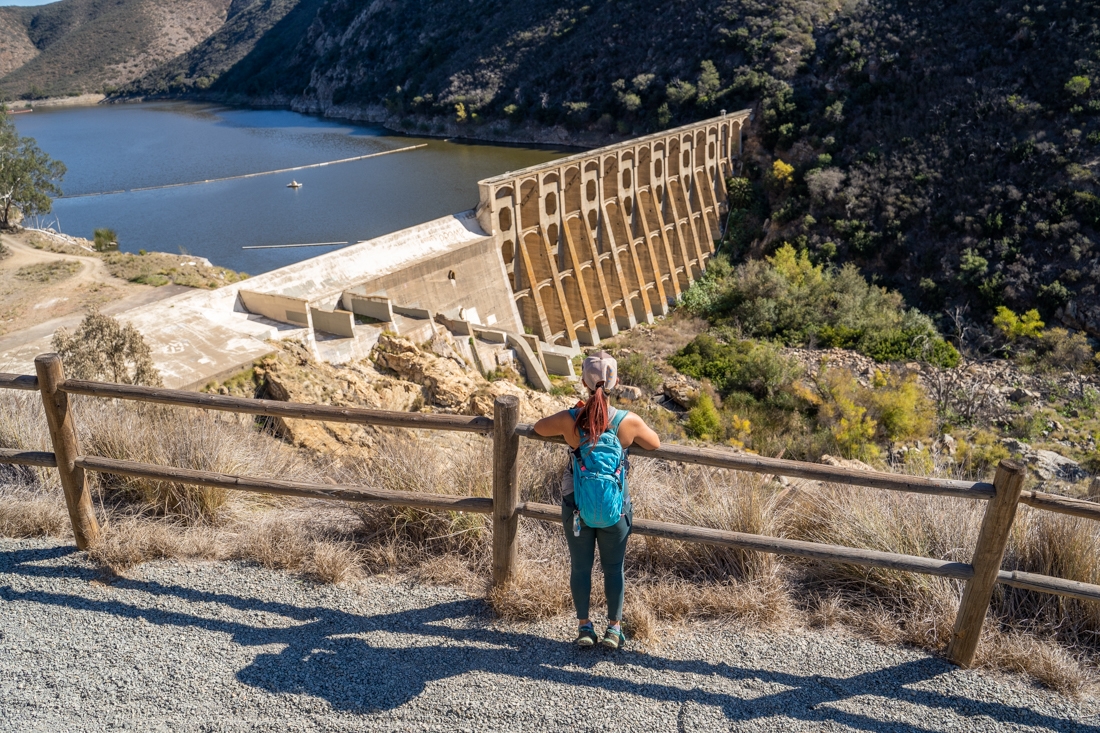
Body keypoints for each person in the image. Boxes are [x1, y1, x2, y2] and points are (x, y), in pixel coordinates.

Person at [533, 351, 661, 649]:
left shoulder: (571, 419)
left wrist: (573, 415)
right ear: (615, 383)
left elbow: (539, 427)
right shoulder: (627, 421)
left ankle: (584, 628)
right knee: (613, 569)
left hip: (577, 506)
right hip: (616, 509)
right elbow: (654, 443)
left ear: (583, 382)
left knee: (580, 568)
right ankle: (614, 630)